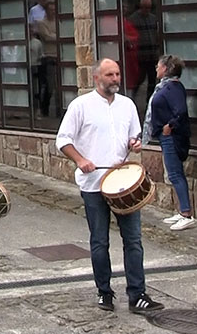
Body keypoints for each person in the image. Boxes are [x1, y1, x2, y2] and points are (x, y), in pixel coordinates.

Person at [56, 58, 164, 314]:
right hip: (93, 185)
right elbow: (62, 140)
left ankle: (137, 295)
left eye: (117, 74)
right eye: (110, 75)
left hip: (122, 184)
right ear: (96, 78)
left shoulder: (127, 105)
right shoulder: (80, 106)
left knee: (134, 241)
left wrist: (134, 144)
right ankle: (104, 292)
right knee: (99, 242)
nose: (115, 78)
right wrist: (80, 160)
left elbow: (133, 137)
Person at [143, 54, 194, 231]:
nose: (156, 69)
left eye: (158, 66)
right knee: (173, 173)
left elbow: (180, 110)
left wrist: (169, 126)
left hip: (172, 137)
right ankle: (181, 211)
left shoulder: (173, 87)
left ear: (166, 68)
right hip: (165, 137)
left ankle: (186, 214)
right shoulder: (164, 87)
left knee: (175, 174)